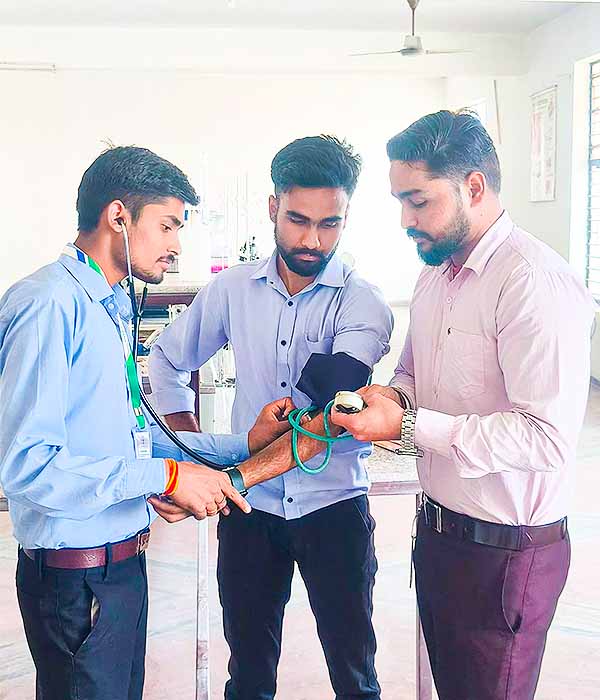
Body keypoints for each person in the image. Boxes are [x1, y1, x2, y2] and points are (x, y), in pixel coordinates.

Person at [0, 146, 303, 700]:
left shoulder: (111, 304)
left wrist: (244, 443)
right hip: (74, 583)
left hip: (120, 571)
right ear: (118, 216)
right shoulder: (48, 305)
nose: (176, 245)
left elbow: (136, 444)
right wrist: (166, 478)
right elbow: (28, 468)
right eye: (167, 226)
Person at [330, 110, 597, 700]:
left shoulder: (533, 282)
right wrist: (388, 398)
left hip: (506, 557)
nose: (405, 220)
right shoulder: (435, 276)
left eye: (418, 201)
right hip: (441, 537)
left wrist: (408, 425)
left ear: (473, 187)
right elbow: (411, 375)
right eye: (400, 202)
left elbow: (545, 438)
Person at [148, 135, 394, 700]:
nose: (312, 240)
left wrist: (231, 470)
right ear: (272, 207)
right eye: (298, 220)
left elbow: (328, 408)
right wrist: (190, 449)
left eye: (330, 224)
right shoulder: (232, 289)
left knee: (355, 677)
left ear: (348, 216)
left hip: (334, 508)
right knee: (249, 677)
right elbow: (167, 359)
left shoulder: (363, 302)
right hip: (250, 513)